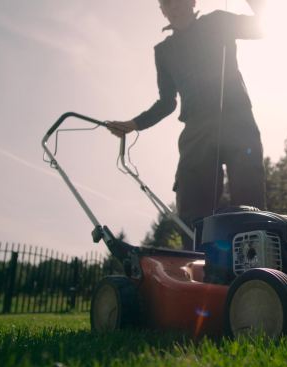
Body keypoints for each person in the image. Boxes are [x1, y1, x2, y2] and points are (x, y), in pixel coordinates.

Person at [106, 0, 267, 249]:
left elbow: (261, 27)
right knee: (192, 203)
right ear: (162, 11)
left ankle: (255, 267)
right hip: (196, 131)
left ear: (192, 1)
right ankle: (202, 268)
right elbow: (167, 102)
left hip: (237, 121)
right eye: (165, 4)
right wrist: (134, 124)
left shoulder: (217, 21)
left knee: (249, 197)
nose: (172, 6)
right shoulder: (164, 51)